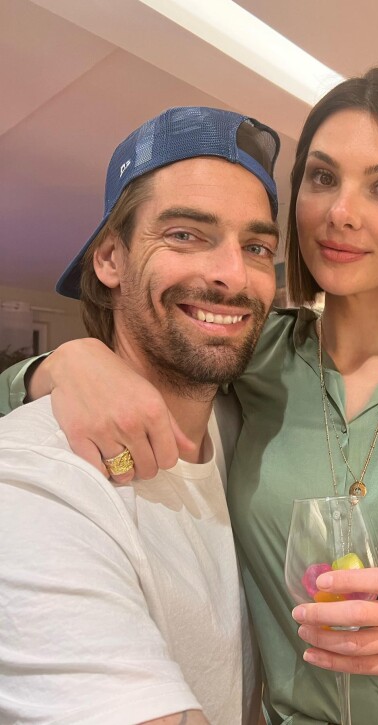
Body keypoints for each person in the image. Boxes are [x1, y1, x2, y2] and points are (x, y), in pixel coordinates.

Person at [1, 68, 378, 725]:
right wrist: (62, 364)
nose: (341, 212)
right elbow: (25, 448)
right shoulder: (248, 355)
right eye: (323, 177)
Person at [0, 105, 282, 724]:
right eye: (185, 234)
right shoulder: (33, 480)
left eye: (257, 246)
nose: (233, 276)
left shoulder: (249, 424)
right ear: (109, 260)